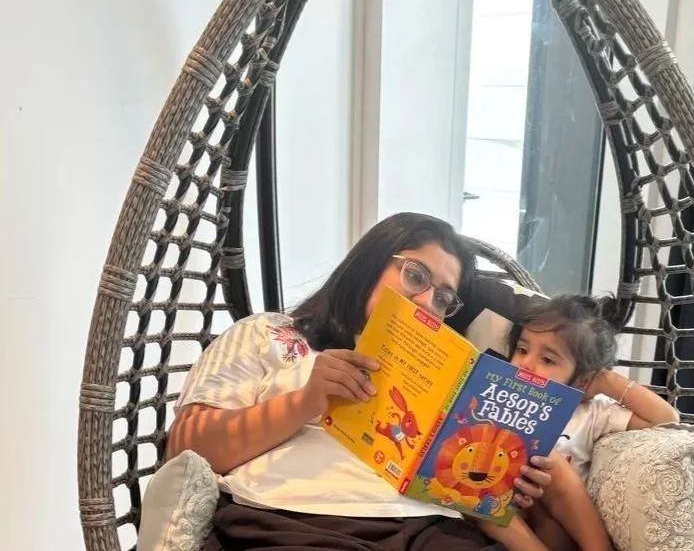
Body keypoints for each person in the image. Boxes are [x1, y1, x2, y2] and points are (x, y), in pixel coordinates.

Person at [166, 212, 554, 551]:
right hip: (299, 517)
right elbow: (186, 448)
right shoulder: (267, 334)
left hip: (435, 528)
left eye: (442, 299)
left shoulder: (452, 380)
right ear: (369, 265)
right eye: (415, 276)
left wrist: (504, 485)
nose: (426, 303)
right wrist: (303, 402)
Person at [479, 293, 681, 551]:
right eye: (522, 350)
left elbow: (666, 419)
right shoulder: (494, 399)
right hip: (506, 523)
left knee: (546, 459)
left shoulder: (590, 412)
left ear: (583, 379)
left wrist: (605, 381)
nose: (525, 365)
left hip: (558, 526)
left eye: (547, 360)